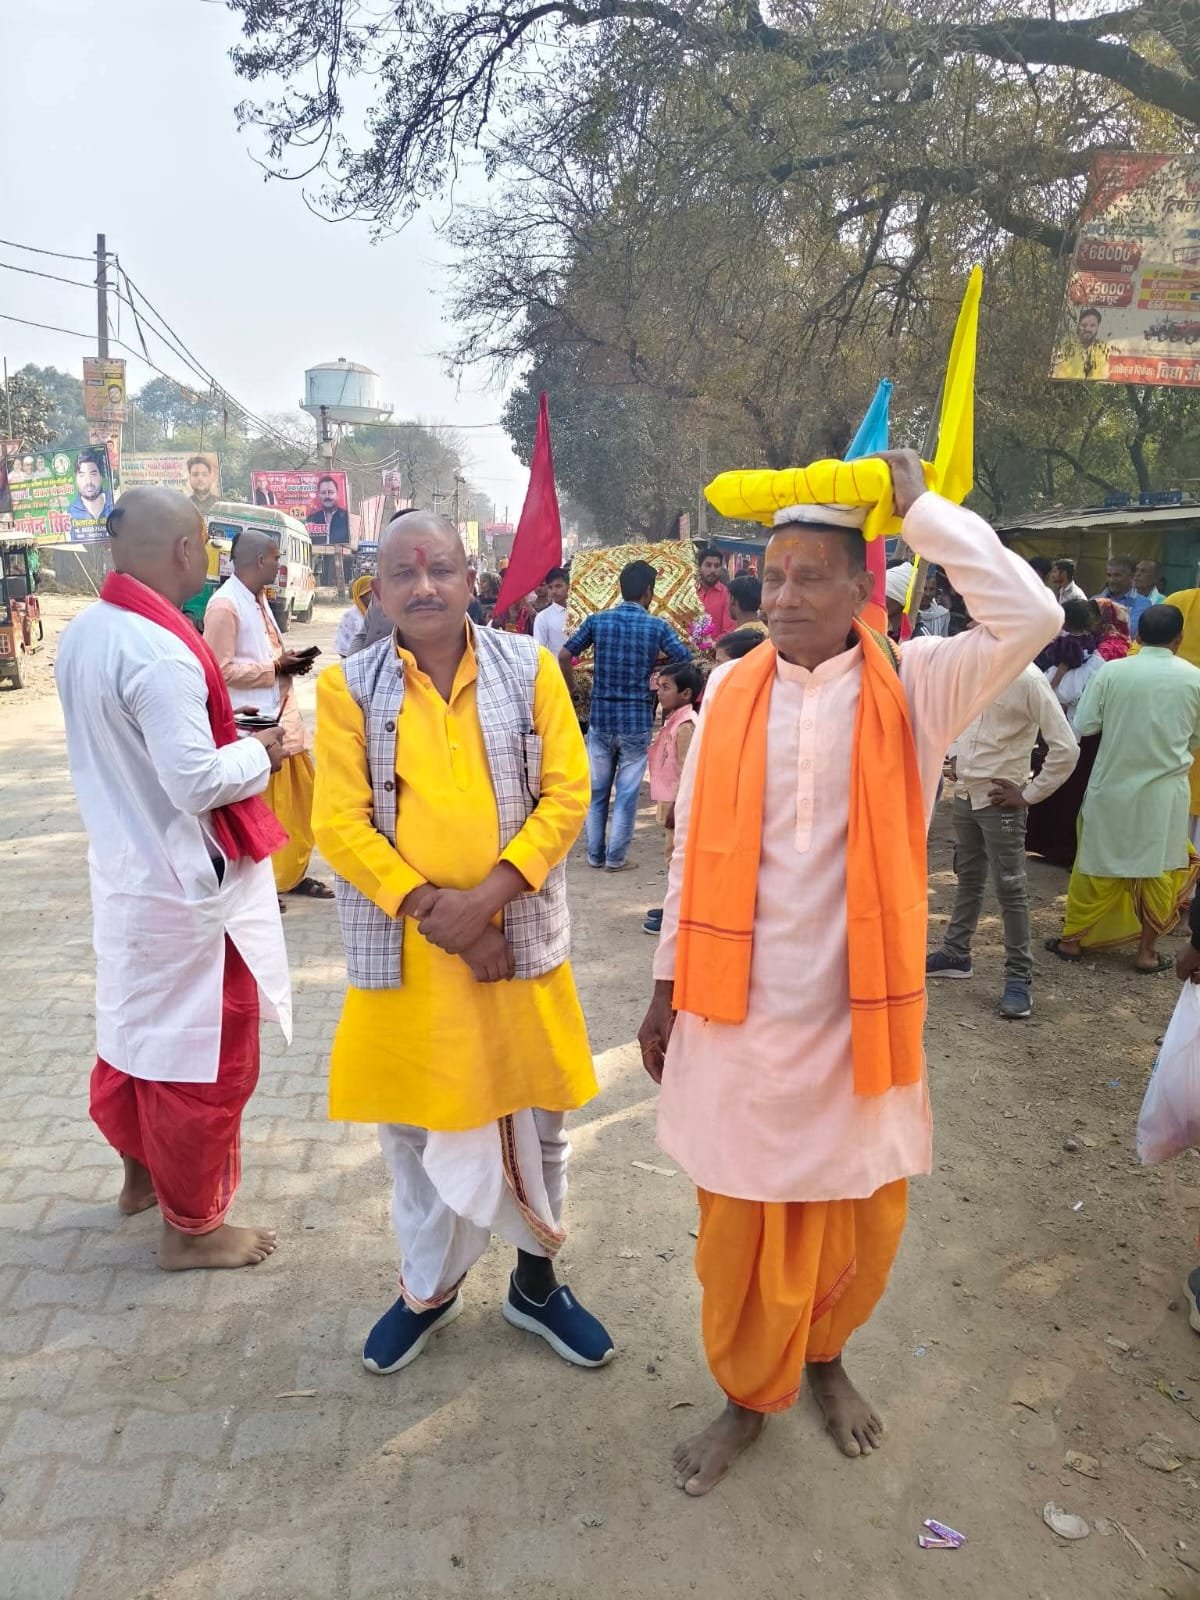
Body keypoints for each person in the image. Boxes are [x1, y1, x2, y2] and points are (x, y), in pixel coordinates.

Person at [636, 450, 1061, 1497]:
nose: (781, 596)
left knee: (854, 1215)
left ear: (862, 589)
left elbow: (1034, 615)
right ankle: (747, 1395)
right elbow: (691, 852)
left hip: (855, 1013)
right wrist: (663, 984)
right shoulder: (729, 686)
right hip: (735, 1013)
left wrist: (925, 513)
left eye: (809, 576)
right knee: (738, 1218)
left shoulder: (918, 682)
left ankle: (824, 1358)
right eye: (771, 576)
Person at [311, 511, 614, 1374]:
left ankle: (536, 1283)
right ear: (376, 590)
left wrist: (485, 906)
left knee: (538, 1123)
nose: (425, 587)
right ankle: (428, 1289)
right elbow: (339, 824)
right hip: (409, 957)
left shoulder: (531, 668)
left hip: (516, 947)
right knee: (413, 1136)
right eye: (404, 574)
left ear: (470, 580)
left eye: (440, 568)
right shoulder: (346, 688)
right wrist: (436, 915)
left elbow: (567, 794)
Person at [55, 488, 292, 1270]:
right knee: (204, 1062)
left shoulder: (88, 630)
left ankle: (140, 1180)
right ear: (188, 550)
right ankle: (192, 1230)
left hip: (127, 874)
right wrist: (265, 750)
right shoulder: (159, 652)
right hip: (184, 887)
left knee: (133, 1039)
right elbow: (193, 782)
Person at [1048, 604, 1200, 971]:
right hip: (1165, 794)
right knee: (1158, 871)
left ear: (1138, 636)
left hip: (1111, 786)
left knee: (1095, 863)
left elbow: (1086, 723)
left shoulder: (1113, 671)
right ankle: (1147, 953)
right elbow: (1196, 738)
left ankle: (1071, 942)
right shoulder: (1195, 679)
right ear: (1179, 639)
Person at [926, 656, 1078, 1017]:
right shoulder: (970, 668)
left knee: (1010, 888)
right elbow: (962, 719)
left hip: (1000, 801)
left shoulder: (1028, 678)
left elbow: (1066, 747)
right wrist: (956, 756)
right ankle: (956, 953)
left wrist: (1029, 794)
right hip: (966, 794)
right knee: (969, 876)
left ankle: (1018, 979)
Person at [204, 530, 332, 903]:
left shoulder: (257, 599)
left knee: (301, 801)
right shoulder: (225, 606)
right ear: (260, 560)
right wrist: (275, 668)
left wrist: (287, 664)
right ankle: (262, 886)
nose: (280, 564)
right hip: (252, 725)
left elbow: (265, 655)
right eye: (277, 557)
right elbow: (219, 671)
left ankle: (290, 875)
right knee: (258, 810)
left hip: (281, 715)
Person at [560, 560, 691, 871]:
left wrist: (572, 688)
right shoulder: (657, 627)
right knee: (627, 792)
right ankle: (616, 858)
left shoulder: (597, 621)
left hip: (602, 717)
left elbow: (565, 654)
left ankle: (595, 855)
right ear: (648, 592)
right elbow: (684, 659)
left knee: (597, 791)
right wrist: (658, 675)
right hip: (636, 719)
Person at [643, 658, 705, 937]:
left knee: (677, 859)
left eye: (666, 687)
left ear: (686, 693)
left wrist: (678, 807)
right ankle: (672, 905)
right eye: (659, 686)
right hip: (669, 799)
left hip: (678, 804)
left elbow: (688, 771)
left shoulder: (686, 726)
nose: (659, 692)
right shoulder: (675, 720)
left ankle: (678, 913)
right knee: (671, 855)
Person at [1094, 555, 1149, 635]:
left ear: (1132, 576)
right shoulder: (1095, 600)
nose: (1112, 580)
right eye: (1109, 575)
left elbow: (1131, 632)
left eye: (1117, 575)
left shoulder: (1142, 603)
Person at [1053, 306, 1110, 380]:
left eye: (1092, 325)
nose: (1087, 329)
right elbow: (1059, 372)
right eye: (1084, 325)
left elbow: (1102, 376)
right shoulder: (1066, 344)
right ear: (1078, 325)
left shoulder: (1102, 348)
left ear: (1098, 327)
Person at [66, 449, 113, 532]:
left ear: (101, 476)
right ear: (76, 479)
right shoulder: (68, 514)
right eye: (82, 475)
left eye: (93, 474)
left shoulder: (114, 502)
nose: (88, 481)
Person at [696, 545, 735, 638]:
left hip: (716, 646)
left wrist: (711, 644)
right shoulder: (689, 592)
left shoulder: (727, 595)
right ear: (699, 567)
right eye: (708, 565)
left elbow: (729, 631)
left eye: (717, 566)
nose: (713, 570)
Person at [533, 566, 570, 656]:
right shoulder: (543, 617)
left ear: (569, 586)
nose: (554, 591)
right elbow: (539, 650)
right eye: (550, 587)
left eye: (558, 586)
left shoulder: (581, 612)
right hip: (556, 664)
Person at [335, 573, 375, 655]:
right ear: (361, 594)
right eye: (371, 592)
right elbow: (343, 646)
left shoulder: (381, 613)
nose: (376, 595)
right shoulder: (350, 616)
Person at [307, 475, 350, 545]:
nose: (327, 496)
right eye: (323, 493)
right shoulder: (312, 519)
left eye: (331, 492)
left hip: (340, 551)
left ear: (337, 494)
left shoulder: (347, 518)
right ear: (319, 496)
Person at [186, 454, 219, 519]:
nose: (200, 478)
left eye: (204, 474)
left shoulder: (220, 504)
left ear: (210, 477)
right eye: (195, 474)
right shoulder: (184, 505)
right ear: (189, 478)